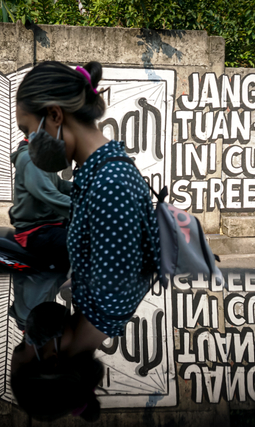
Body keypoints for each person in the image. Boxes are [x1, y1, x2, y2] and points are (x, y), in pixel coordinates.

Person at [10, 61, 160, 421]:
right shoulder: (97, 177)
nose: (30, 145)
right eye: (24, 346)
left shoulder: (109, 184)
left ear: (55, 116)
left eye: (29, 131)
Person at [9, 138, 72, 271]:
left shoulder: (42, 156)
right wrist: (88, 208)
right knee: (82, 245)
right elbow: (49, 194)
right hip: (36, 230)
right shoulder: (30, 159)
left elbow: (59, 186)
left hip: (50, 223)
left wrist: (91, 190)